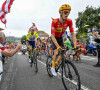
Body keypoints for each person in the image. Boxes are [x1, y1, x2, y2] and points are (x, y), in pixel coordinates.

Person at [51, 4, 76, 76]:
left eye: (68, 12)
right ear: (60, 13)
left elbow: (73, 34)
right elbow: (52, 36)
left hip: (60, 38)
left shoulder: (69, 21)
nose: (67, 14)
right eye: (65, 12)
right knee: (56, 52)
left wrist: (74, 44)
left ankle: (57, 64)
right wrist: (57, 46)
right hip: (54, 38)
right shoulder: (54, 22)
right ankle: (52, 67)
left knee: (62, 52)